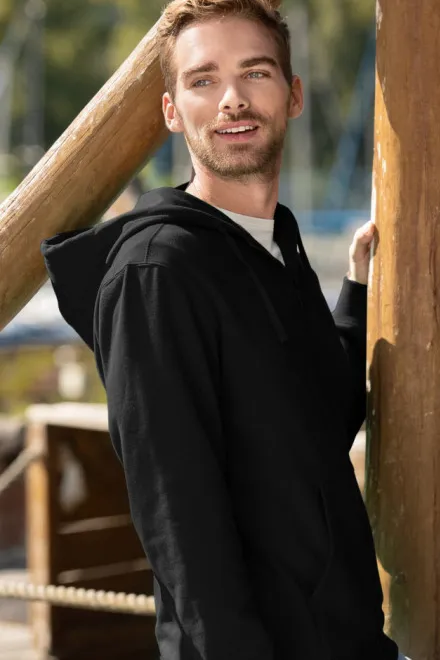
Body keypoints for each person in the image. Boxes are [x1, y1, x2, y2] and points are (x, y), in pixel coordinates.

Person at [40, 1, 411, 658]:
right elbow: (179, 522)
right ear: (172, 111)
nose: (232, 99)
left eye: (255, 73)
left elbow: (318, 425)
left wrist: (356, 292)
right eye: (203, 80)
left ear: (292, 96)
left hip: (346, 640)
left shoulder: (277, 242)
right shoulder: (156, 274)